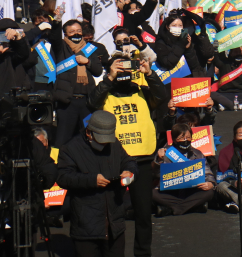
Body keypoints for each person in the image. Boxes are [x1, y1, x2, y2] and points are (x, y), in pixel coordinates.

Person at [89, 55, 166, 257]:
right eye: (119, 68)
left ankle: (143, 253)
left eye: (126, 68)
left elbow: (161, 96)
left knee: (142, 213)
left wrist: (149, 73)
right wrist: (110, 76)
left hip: (141, 160)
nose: (123, 72)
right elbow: (92, 102)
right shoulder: (106, 93)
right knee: (113, 213)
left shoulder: (143, 92)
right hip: (114, 160)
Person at [57, 110, 137, 257]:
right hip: (86, 224)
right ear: (89, 133)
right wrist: (92, 180)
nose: (105, 144)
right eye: (101, 139)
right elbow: (63, 177)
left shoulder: (114, 145)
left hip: (115, 222)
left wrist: (129, 172)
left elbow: (129, 161)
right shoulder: (70, 148)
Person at [152, 123, 216, 216]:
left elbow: (208, 173)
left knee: (209, 193)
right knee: (152, 194)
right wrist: (159, 160)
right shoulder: (165, 153)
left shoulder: (197, 153)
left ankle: (172, 209)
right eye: (181, 138)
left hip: (191, 191)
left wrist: (210, 183)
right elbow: (156, 174)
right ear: (174, 139)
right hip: (170, 193)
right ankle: (192, 207)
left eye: (188, 137)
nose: (185, 140)